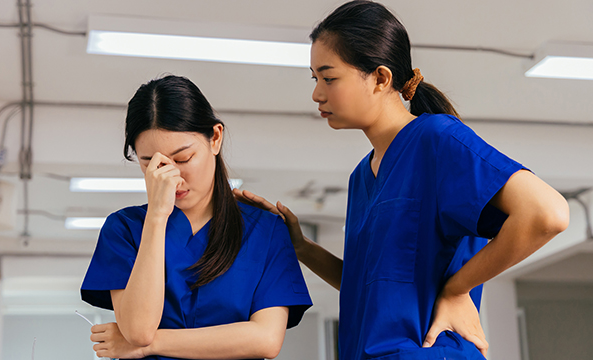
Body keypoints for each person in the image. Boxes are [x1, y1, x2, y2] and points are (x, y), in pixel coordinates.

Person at [235, 1, 570, 359]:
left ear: (381, 78)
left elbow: (548, 214)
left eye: (329, 78)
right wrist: (302, 247)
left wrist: (457, 290)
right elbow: (374, 286)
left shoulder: (437, 139)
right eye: (315, 79)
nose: (317, 94)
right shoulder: (362, 176)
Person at [80, 75, 312, 360]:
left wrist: (153, 345)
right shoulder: (125, 229)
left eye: (183, 159)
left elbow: (265, 339)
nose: (171, 177)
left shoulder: (266, 231)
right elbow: (139, 330)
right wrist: (157, 216)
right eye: (151, 164)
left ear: (215, 138)